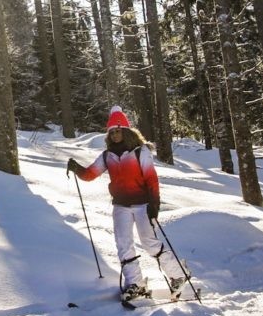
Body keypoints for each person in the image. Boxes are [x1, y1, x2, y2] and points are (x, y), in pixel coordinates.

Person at [67, 106, 187, 301]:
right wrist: (77, 169)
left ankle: (178, 274)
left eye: (118, 130)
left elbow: (151, 179)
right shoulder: (108, 156)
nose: (114, 135)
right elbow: (90, 174)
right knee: (123, 245)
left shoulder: (141, 152)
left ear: (126, 131)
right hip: (120, 206)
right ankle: (135, 283)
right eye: (111, 132)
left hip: (142, 205)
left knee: (149, 243)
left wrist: (154, 205)